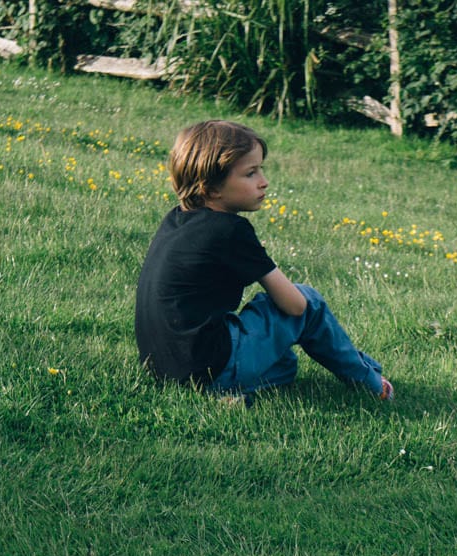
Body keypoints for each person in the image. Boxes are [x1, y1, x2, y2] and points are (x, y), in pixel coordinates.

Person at [134, 120, 393, 402]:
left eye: (261, 169)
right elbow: (296, 307)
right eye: (250, 173)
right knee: (310, 301)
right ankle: (372, 384)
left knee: (286, 365)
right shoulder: (230, 230)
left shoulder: (176, 218)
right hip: (210, 366)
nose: (263, 181)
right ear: (211, 188)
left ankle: (235, 396)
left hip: (165, 368)